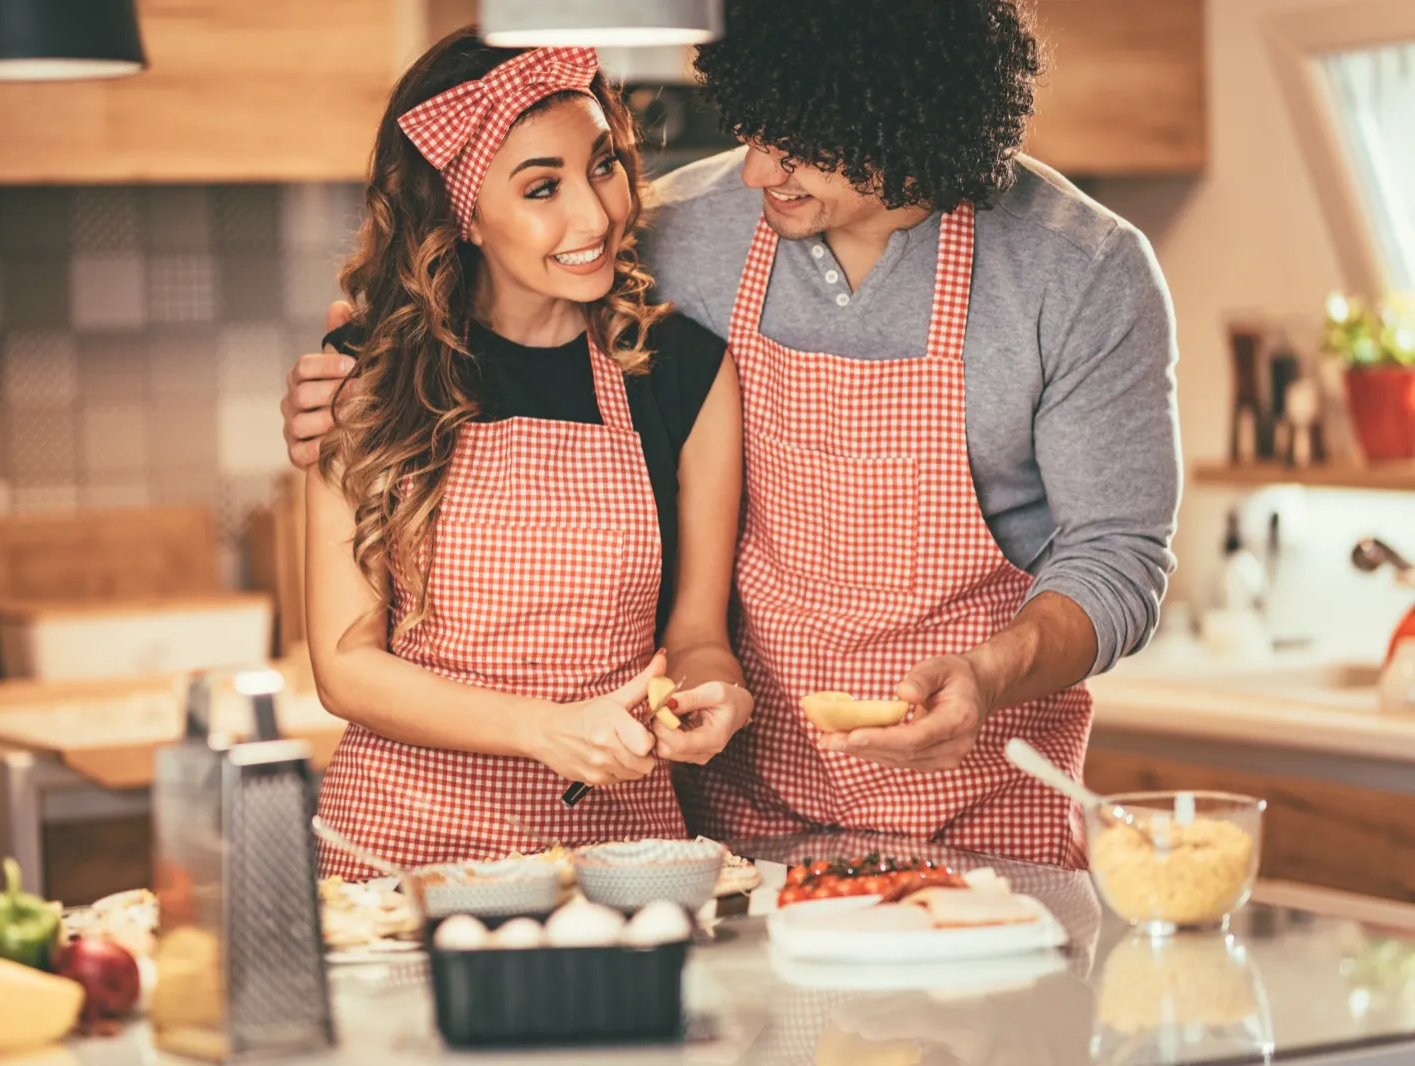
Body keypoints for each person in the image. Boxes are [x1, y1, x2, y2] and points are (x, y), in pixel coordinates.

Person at [285, 0, 1180, 870]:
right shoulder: (672, 234)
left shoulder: (1079, 271)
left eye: (796, 148)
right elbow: (481, 307)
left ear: (908, 129)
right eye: (752, 128)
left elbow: (1118, 556)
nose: (754, 173)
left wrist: (989, 675)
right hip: (732, 827)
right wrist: (345, 384)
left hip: (983, 811)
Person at [305, 34, 752, 880]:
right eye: (542, 187)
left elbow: (697, 634)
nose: (594, 215)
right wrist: (545, 730)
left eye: (605, 165)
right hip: (399, 858)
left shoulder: (685, 372)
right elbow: (345, 665)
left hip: (619, 861)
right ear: (462, 213)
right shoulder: (363, 373)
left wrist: (713, 694)